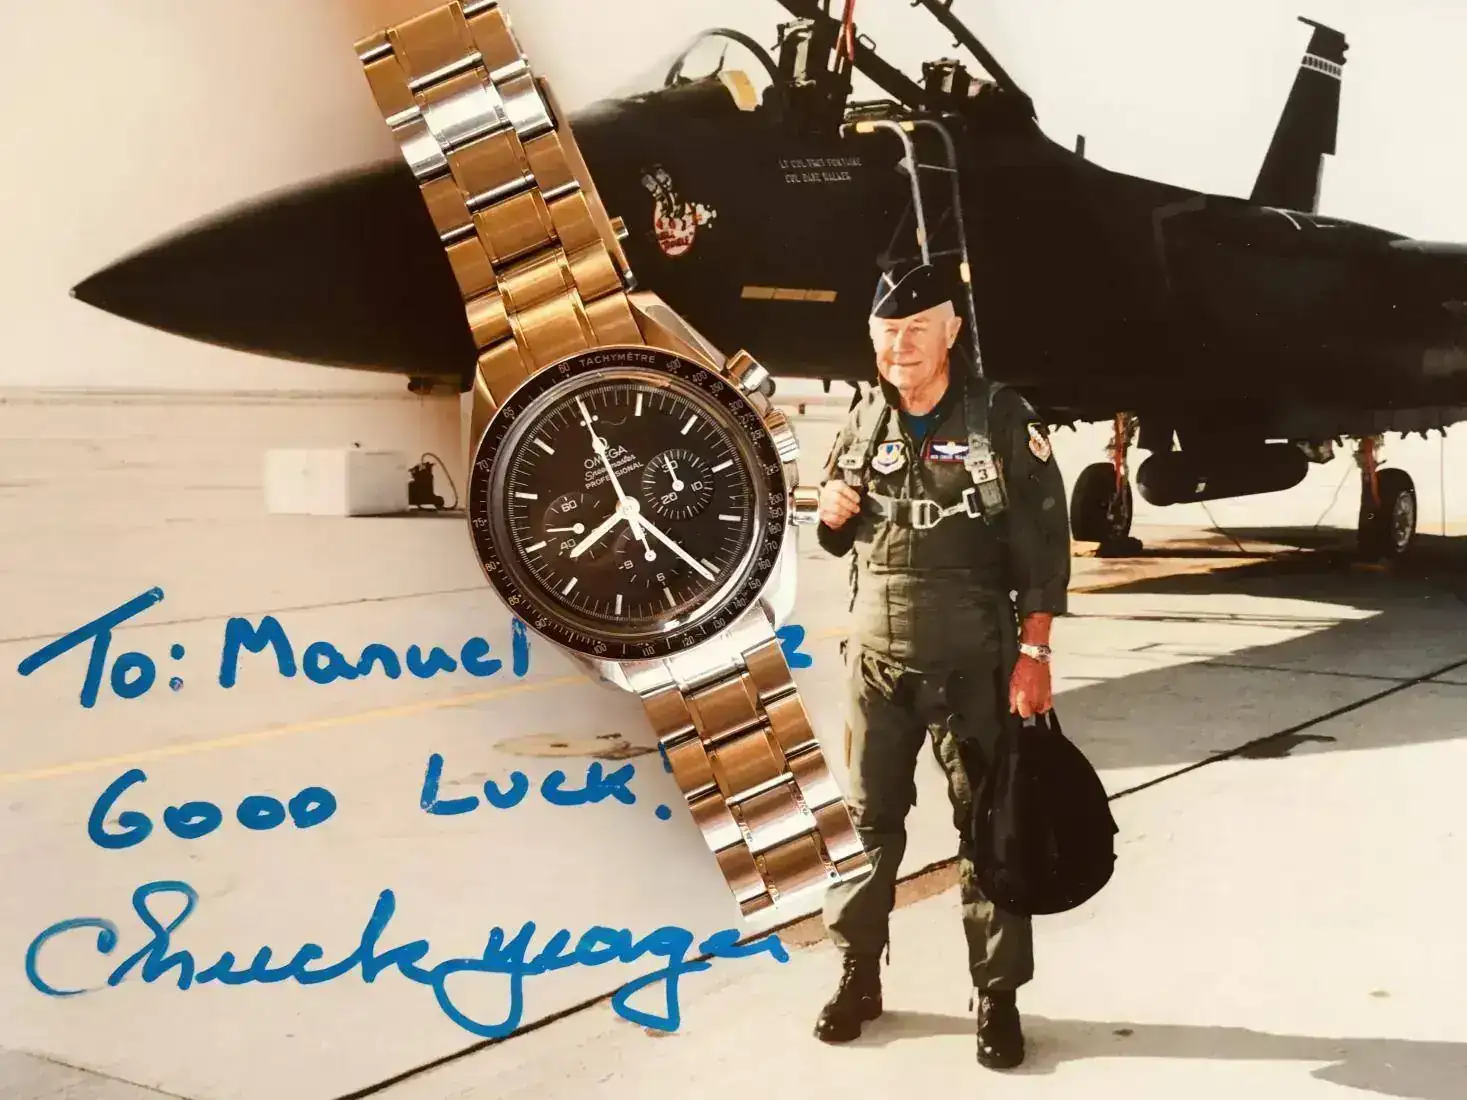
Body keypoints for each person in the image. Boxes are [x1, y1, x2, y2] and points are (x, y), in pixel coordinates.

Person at [813, 260, 1072, 1070]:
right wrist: (828, 514)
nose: (899, 347)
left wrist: (1033, 654)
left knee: (989, 830)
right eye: (887, 333)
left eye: (915, 331)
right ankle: (857, 975)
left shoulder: (999, 418)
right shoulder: (863, 418)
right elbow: (839, 528)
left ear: (950, 331)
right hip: (876, 663)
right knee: (865, 827)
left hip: (972, 662)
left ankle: (996, 995)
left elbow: (1044, 547)